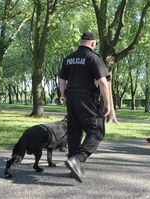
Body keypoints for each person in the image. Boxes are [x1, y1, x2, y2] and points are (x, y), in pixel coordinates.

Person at [58, 32, 110, 183]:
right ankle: (77, 160)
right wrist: (107, 105)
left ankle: (73, 168)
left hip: (71, 97)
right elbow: (102, 82)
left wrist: (64, 97)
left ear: (81, 42)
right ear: (93, 43)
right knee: (97, 131)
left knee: (74, 132)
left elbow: (62, 81)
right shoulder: (94, 58)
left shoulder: (68, 59)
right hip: (87, 98)